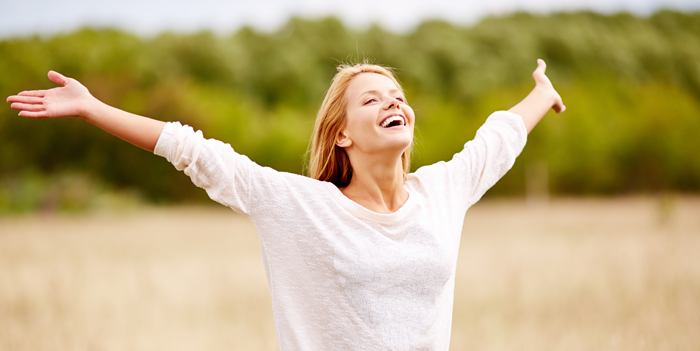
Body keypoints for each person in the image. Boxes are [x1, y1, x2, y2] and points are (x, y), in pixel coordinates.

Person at [7, 59, 565, 350]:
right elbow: (195, 151)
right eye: (371, 99)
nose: (392, 102)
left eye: (397, 96)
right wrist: (92, 107)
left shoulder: (441, 190)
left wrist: (543, 91)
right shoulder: (302, 207)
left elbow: (498, 138)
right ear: (342, 134)